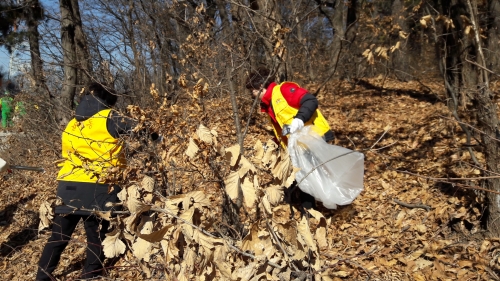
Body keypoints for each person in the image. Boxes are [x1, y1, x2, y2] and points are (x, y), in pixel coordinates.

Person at [36, 82, 153, 280]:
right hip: (99, 187)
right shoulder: (110, 118)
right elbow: (145, 131)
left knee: (58, 238)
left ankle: (42, 276)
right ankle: (90, 275)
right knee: (96, 237)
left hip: (68, 187)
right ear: (109, 100)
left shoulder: (73, 122)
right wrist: (158, 140)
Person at [245, 67, 334, 211]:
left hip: (314, 136)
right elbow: (282, 130)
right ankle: (308, 209)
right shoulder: (270, 105)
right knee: (304, 175)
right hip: (300, 144)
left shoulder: (284, 90)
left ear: (261, 87)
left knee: (307, 175)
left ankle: (311, 211)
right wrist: (272, 144)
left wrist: (299, 120)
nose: (252, 95)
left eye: (253, 91)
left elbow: (310, 101)